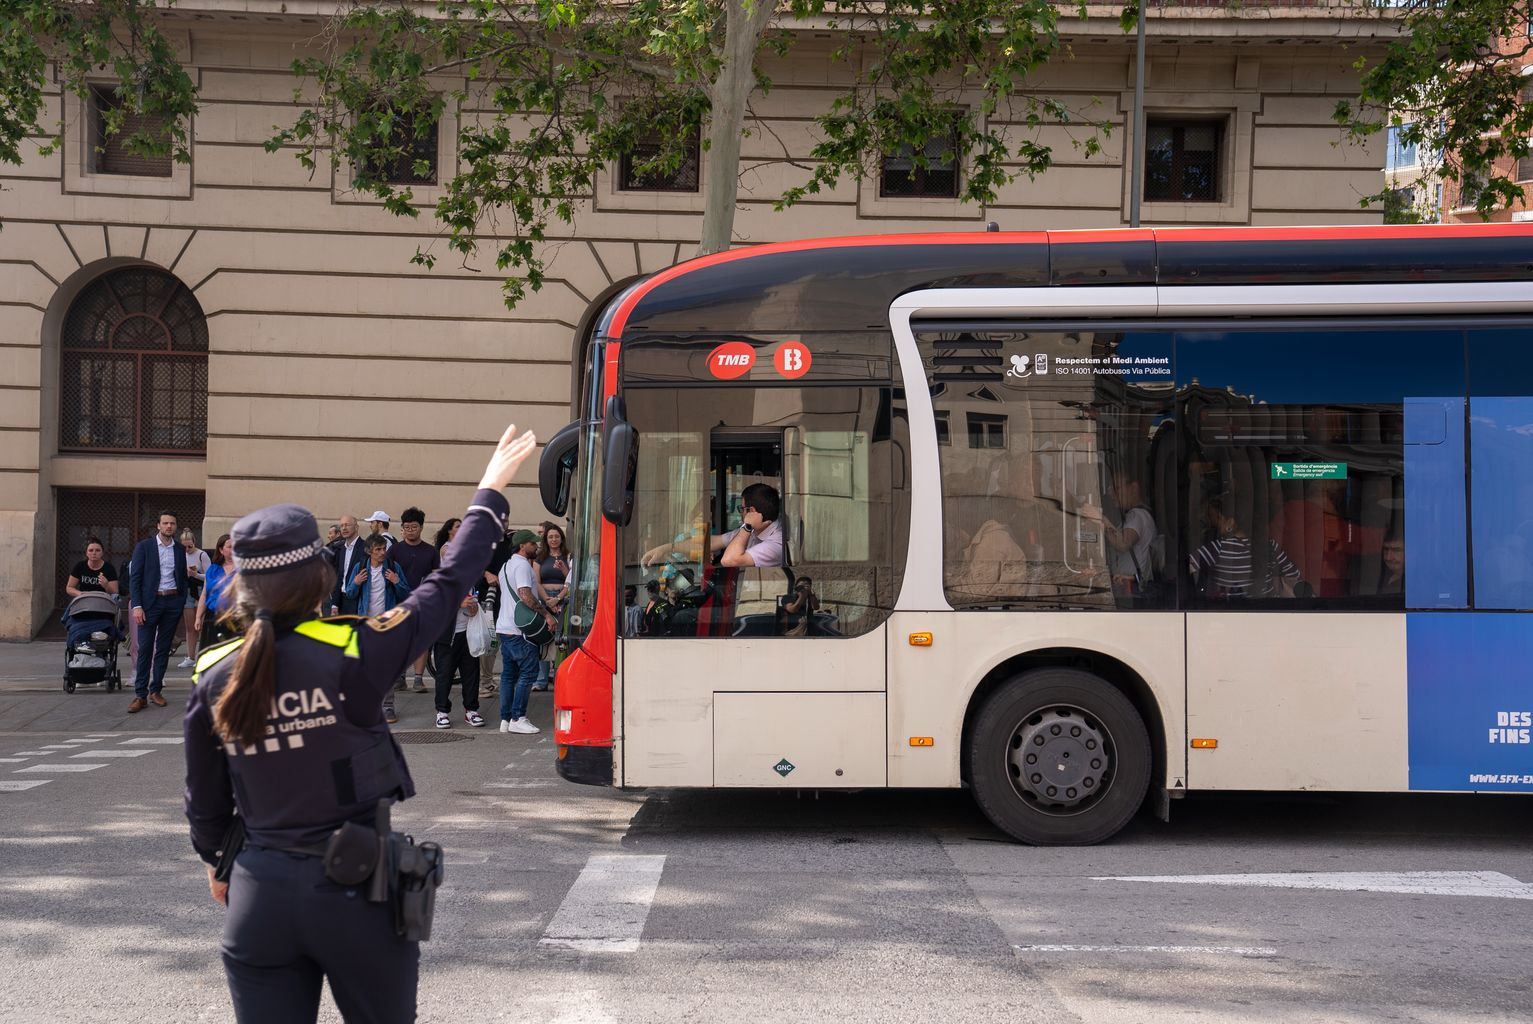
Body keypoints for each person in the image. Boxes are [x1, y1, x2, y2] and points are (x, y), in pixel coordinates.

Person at [182, 422, 534, 1024]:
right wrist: (489, 491)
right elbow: (448, 582)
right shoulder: (355, 648)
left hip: (259, 896)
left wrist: (219, 863)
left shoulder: (214, 674)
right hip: (356, 891)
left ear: (240, 585)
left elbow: (205, 803)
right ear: (320, 576)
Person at [345, 535, 413, 724]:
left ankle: (387, 707)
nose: (383, 553)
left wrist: (396, 581)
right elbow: (350, 593)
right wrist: (356, 582)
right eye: (378, 549)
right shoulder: (360, 568)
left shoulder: (392, 567)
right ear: (369, 551)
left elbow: (407, 594)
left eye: (384, 549)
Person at [641, 482, 785, 570]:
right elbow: (709, 543)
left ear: (751, 511)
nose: (740, 513)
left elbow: (728, 560)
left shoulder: (776, 543)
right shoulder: (754, 530)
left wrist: (747, 526)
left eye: (741, 508)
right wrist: (667, 548)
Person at [495, 529, 555, 734]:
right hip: (520, 629)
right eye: (533, 543)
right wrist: (546, 615)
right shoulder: (522, 565)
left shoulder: (505, 566)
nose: (536, 546)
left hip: (505, 626)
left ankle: (505, 719)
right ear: (522, 546)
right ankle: (518, 717)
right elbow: (525, 595)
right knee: (529, 672)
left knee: (508, 675)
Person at [128, 511, 188, 713]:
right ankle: (140, 694)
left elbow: (182, 577)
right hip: (149, 604)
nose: (169, 526)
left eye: (172, 523)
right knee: (145, 648)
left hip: (172, 602)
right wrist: (137, 606)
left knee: (163, 649)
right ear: (158, 525)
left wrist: (180, 601)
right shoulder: (144, 547)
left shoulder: (179, 549)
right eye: (165, 523)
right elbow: (135, 578)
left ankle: (156, 690)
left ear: (176, 526)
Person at [1188, 498, 1303, 599]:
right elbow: (1294, 574)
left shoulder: (1219, 547)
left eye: (1218, 519)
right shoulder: (1270, 545)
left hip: (1230, 611)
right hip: (1267, 610)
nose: (1214, 525)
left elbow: (1187, 568)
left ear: (1230, 523)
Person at [430, 528, 484, 728]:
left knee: (471, 673)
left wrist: (473, 606)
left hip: (468, 632)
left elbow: (474, 598)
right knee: (445, 674)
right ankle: (442, 711)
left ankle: (471, 710)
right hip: (446, 634)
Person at [389, 507, 440, 694]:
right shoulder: (394, 550)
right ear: (402, 528)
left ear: (421, 527)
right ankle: (400, 678)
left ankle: (418, 679)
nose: (410, 531)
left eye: (414, 527)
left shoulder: (431, 552)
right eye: (407, 527)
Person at [1096, 476, 1157, 597]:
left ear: (1133, 487)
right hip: (1128, 588)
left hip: (1131, 591)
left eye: (1116, 488)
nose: (1110, 492)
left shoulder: (1136, 515)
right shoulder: (1142, 515)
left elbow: (1123, 544)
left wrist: (1099, 519)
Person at [64, 537, 120, 655]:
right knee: (73, 618)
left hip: (102, 605)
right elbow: (69, 588)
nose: (94, 553)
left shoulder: (108, 568)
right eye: (91, 550)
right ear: (86, 553)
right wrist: (80, 594)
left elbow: (114, 592)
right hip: (84, 603)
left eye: (97, 550)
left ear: (102, 553)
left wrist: (106, 585)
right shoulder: (80, 566)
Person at [531, 523, 569, 691]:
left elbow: (571, 579)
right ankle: (541, 680)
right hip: (545, 599)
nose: (554, 539)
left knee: (562, 638)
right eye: (550, 537)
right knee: (544, 637)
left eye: (557, 536)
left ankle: (561, 678)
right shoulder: (540, 557)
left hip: (563, 598)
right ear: (546, 539)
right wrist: (547, 600)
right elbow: (536, 581)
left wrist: (558, 598)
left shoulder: (568, 556)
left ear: (561, 538)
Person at [194, 534, 236, 646]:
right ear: (221, 550)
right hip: (213, 618)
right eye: (230, 547)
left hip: (236, 617)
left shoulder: (243, 570)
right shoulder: (212, 570)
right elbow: (204, 595)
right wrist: (198, 617)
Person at [179, 529, 212, 670]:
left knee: (201, 625)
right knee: (190, 627)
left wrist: (196, 574)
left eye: (190, 546)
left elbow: (210, 576)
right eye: (184, 547)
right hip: (187, 590)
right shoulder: (181, 555)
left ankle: (204, 656)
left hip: (200, 590)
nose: (187, 549)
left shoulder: (202, 555)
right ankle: (190, 657)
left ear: (194, 543)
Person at [329, 515, 367, 615]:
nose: (344, 528)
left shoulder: (365, 547)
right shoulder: (340, 549)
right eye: (342, 526)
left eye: (347, 525)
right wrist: (335, 603)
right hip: (341, 600)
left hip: (358, 600)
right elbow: (339, 576)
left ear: (356, 527)